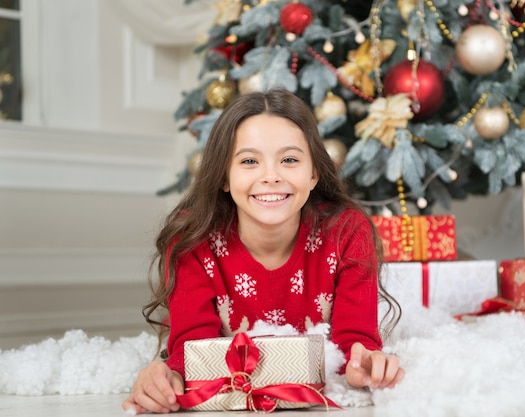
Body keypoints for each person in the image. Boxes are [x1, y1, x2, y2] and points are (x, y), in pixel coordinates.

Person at [122, 88, 404, 415]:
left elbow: (355, 340)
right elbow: (191, 352)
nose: (271, 176)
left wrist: (364, 361)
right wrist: (166, 376)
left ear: (313, 173)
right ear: (224, 176)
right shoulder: (193, 239)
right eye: (249, 161)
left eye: (289, 160)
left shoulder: (346, 231)